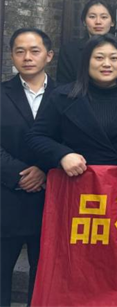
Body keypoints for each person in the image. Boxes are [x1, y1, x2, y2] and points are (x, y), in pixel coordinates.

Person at [27, 34, 117, 176]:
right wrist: (63, 155)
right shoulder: (63, 96)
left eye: (114, 58)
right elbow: (36, 136)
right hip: (79, 179)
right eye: (99, 58)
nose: (107, 64)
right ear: (86, 61)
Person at [1, 29, 55, 307]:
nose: (27, 57)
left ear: (49, 55)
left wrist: (44, 170)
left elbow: (73, 141)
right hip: (7, 199)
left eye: (35, 51)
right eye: (19, 51)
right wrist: (19, 174)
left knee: (45, 279)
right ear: (12, 56)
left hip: (51, 201)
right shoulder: (1, 93)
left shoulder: (67, 95)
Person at [57, 0, 115, 85]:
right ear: (84, 21)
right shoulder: (69, 51)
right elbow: (62, 86)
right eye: (92, 17)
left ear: (112, 22)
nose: (98, 22)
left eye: (104, 17)